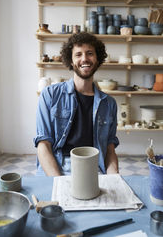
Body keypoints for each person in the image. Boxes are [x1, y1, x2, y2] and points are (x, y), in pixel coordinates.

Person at [34, 32, 119, 176]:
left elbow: (110, 149)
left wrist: (114, 177)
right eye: (78, 54)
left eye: (90, 53)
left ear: (97, 59)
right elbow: (43, 145)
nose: (84, 59)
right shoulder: (50, 95)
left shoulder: (109, 104)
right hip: (58, 166)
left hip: (94, 166)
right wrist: (59, 181)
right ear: (71, 61)